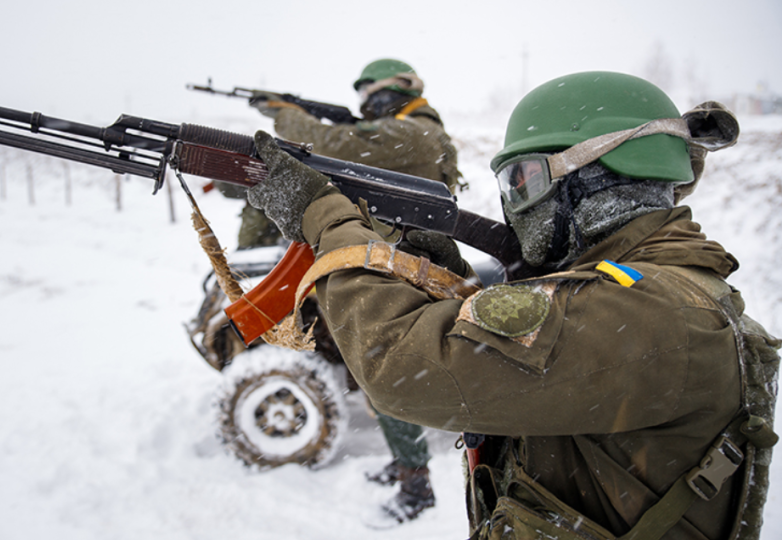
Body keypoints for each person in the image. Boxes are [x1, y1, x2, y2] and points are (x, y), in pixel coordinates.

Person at [244, 71, 780, 539]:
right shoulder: (654, 292)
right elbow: (516, 361)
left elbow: (401, 366)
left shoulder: (650, 312)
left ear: (597, 177)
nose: (513, 205)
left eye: (523, 181)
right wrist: (435, 272)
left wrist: (328, 221)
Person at [244, 58, 464, 525]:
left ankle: (417, 487)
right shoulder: (401, 132)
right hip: (393, 256)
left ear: (408, 88)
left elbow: (332, 144)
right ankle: (405, 462)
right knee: (373, 366)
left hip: (409, 263)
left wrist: (285, 113)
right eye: (362, 96)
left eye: (376, 92)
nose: (367, 102)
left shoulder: (418, 131)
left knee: (389, 367)